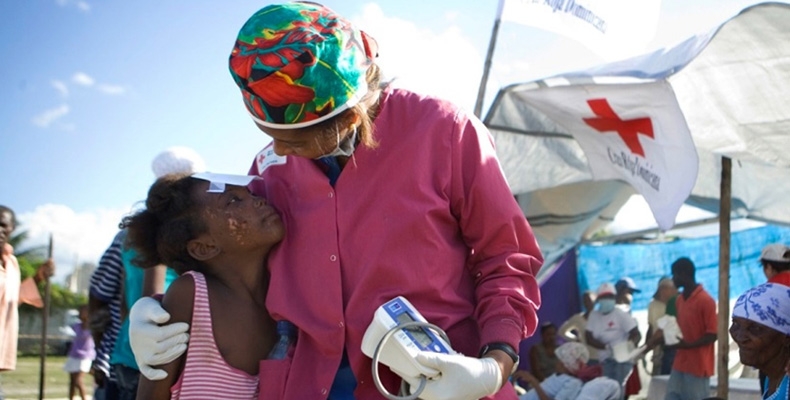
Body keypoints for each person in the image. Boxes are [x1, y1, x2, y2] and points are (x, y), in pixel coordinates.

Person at [128, 2, 544, 400]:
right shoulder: (269, 168)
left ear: (351, 118)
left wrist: (494, 364)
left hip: (438, 385)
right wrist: (160, 315)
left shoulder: (445, 132)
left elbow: (505, 258)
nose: (280, 151)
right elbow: (242, 276)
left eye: (297, 140)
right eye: (271, 136)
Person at [123, 172, 284, 399]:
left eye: (249, 193)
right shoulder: (192, 295)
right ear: (204, 247)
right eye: (233, 200)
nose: (258, 200)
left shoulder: (281, 297)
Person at [88, 147, 203, 400]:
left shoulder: (133, 233)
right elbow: (152, 297)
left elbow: (120, 298)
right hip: (153, 357)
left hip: (126, 352)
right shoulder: (172, 235)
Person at [0, 205, 55, 398]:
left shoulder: (11, 263)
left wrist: (39, 277)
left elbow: (12, 298)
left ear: (11, 229)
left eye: (3, 225)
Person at [662, 257, 717, 400]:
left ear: (684, 274)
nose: (673, 279)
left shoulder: (706, 301)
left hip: (698, 367)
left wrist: (688, 345)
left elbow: (713, 334)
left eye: (674, 275)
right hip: (680, 363)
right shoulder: (679, 300)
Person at [730, 282, 790, 400]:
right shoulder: (769, 374)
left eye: (755, 328)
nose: (740, 337)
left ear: (786, 338)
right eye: (736, 324)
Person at [585, 282, 640, 400]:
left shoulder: (620, 314)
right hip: (605, 359)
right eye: (603, 297)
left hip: (622, 359)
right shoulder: (594, 316)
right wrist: (606, 347)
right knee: (607, 390)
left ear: (614, 298)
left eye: (609, 297)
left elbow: (636, 334)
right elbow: (588, 338)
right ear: (599, 300)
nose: (606, 300)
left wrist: (628, 346)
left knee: (618, 389)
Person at [516, 342, 621, 400]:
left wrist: (534, 382)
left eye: (559, 361)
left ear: (565, 365)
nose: (556, 364)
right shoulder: (557, 376)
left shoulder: (573, 383)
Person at [645, 276, 677, 376]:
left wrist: (654, 341)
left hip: (673, 349)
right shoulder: (653, 305)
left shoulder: (677, 303)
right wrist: (647, 346)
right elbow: (651, 327)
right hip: (658, 350)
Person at [64, 305, 95, 400]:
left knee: (78, 380)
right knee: (72, 381)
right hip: (74, 354)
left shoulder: (92, 326)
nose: (82, 313)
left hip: (85, 355)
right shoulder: (76, 325)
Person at [558, 291, 598, 365]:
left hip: (602, 357)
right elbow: (562, 331)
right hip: (586, 357)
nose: (587, 303)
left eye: (589, 300)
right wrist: (575, 339)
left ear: (595, 301)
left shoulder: (602, 317)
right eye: (585, 301)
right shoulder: (577, 318)